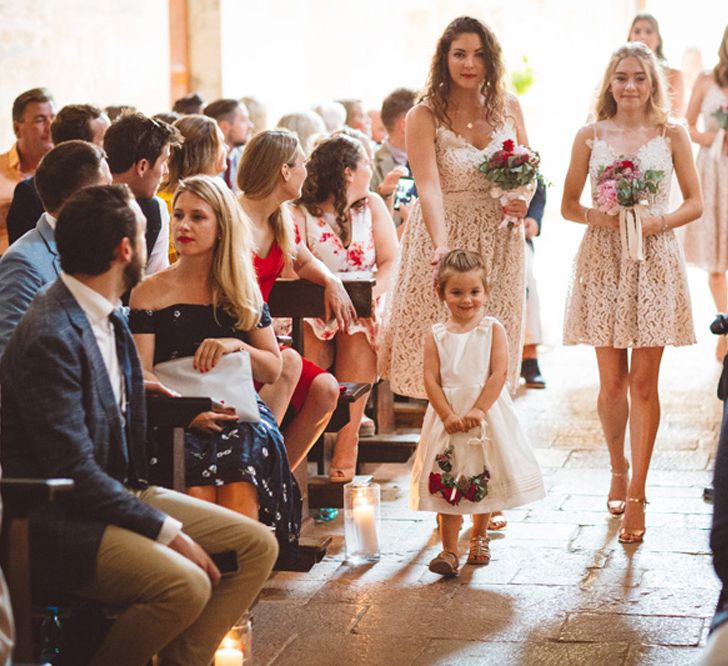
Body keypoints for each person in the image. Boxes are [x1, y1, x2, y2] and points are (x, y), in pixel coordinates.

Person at [0, 184, 278, 665]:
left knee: (257, 545)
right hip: (58, 517)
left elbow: (120, 398)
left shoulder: (104, 311)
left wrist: (164, 403)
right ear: (126, 249)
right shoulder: (52, 331)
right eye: (149, 231)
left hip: (117, 491)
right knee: (184, 583)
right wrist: (168, 530)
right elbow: (75, 472)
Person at [562, 42, 702, 544]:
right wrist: (601, 216)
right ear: (609, 83)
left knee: (644, 384)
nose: (629, 86)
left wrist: (655, 221)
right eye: (621, 77)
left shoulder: (672, 133)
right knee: (612, 385)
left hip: (654, 259)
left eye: (639, 78)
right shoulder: (588, 135)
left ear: (652, 84)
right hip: (602, 261)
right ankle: (617, 467)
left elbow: (695, 202)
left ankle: (638, 492)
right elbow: (567, 206)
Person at [130, 175, 301, 554]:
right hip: (175, 415)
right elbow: (142, 371)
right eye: (178, 216)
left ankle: (237, 605)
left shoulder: (241, 290)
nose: (183, 226)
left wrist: (235, 347)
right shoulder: (148, 291)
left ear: (221, 225)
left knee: (242, 471)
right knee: (196, 485)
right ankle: (207, 595)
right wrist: (185, 413)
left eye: (197, 217)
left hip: (236, 411)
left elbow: (273, 368)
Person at [379, 16, 531, 399]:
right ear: (444, 58)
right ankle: (441, 448)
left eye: (479, 55)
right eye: (460, 54)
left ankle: (491, 444)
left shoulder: (509, 107)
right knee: (447, 351)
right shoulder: (424, 115)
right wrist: (442, 248)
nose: (469, 64)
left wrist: (521, 200)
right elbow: (428, 187)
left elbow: (528, 170)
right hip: (445, 231)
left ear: (490, 60)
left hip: (500, 240)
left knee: (494, 345)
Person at [410, 250, 544, 577]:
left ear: (485, 291)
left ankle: (480, 537)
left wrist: (479, 410)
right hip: (448, 416)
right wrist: (447, 415)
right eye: (456, 292)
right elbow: (431, 378)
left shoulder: (492, 329)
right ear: (440, 293)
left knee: (483, 473)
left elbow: (499, 373)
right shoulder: (436, 335)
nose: (467, 300)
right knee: (449, 476)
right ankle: (448, 550)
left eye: (474, 292)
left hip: (484, 415)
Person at [238, 128, 354, 470]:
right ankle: (257, 477)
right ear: (284, 171)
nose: (307, 171)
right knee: (287, 369)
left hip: (264, 339)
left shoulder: (280, 219)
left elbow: (303, 260)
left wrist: (331, 280)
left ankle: (277, 478)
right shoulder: (232, 216)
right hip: (234, 341)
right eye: (302, 163)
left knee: (325, 389)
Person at [292, 134, 398, 482]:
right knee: (312, 343)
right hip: (314, 305)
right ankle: (308, 453)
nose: (372, 170)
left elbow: (390, 261)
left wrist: (367, 298)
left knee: (359, 332)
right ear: (349, 172)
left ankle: (346, 449)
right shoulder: (300, 212)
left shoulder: (372, 207)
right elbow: (292, 263)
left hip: (362, 306)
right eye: (367, 163)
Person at [0, 141, 112, 357]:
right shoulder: (24, 263)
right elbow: (12, 353)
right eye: (107, 189)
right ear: (80, 199)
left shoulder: (96, 245)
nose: (115, 198)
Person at [682, 25, 728, 360]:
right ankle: (725, 325)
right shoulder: (706, 80)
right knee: (717, 259)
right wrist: (711, 138)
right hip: (713, 171)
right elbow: (688, 124)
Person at [7, 103, 110, 245]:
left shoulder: (111, 181)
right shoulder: (30, 193)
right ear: (83, 146)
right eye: (105, 139)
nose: (111, 146)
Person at [103, 112, 183, 275]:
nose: (166, 171)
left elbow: (156, 277)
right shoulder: (84, 207)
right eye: (164, 162)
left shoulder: (156, 210)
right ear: (142, 166)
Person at [0, 88, 55, 250]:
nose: (50, 127)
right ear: (17, 129)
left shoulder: (67, 171)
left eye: (53, 118)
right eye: (40, 120)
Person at [627, 13, 684, 117]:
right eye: (637, 31)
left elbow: (676, 117)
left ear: (658, 39)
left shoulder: (674, 75)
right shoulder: (616, 74)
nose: (642, 36)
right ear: (630, 38)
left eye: (648, 32)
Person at [521, 180, 547, 388]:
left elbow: (536, 181)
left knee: (527, 279)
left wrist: (534, 219)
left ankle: (529, 356)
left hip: (516, 231)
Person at [203, 99, 254, 190]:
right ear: (224, 126)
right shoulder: (204, 162)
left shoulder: (245, 155)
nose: (250, 126)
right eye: (244, 120)